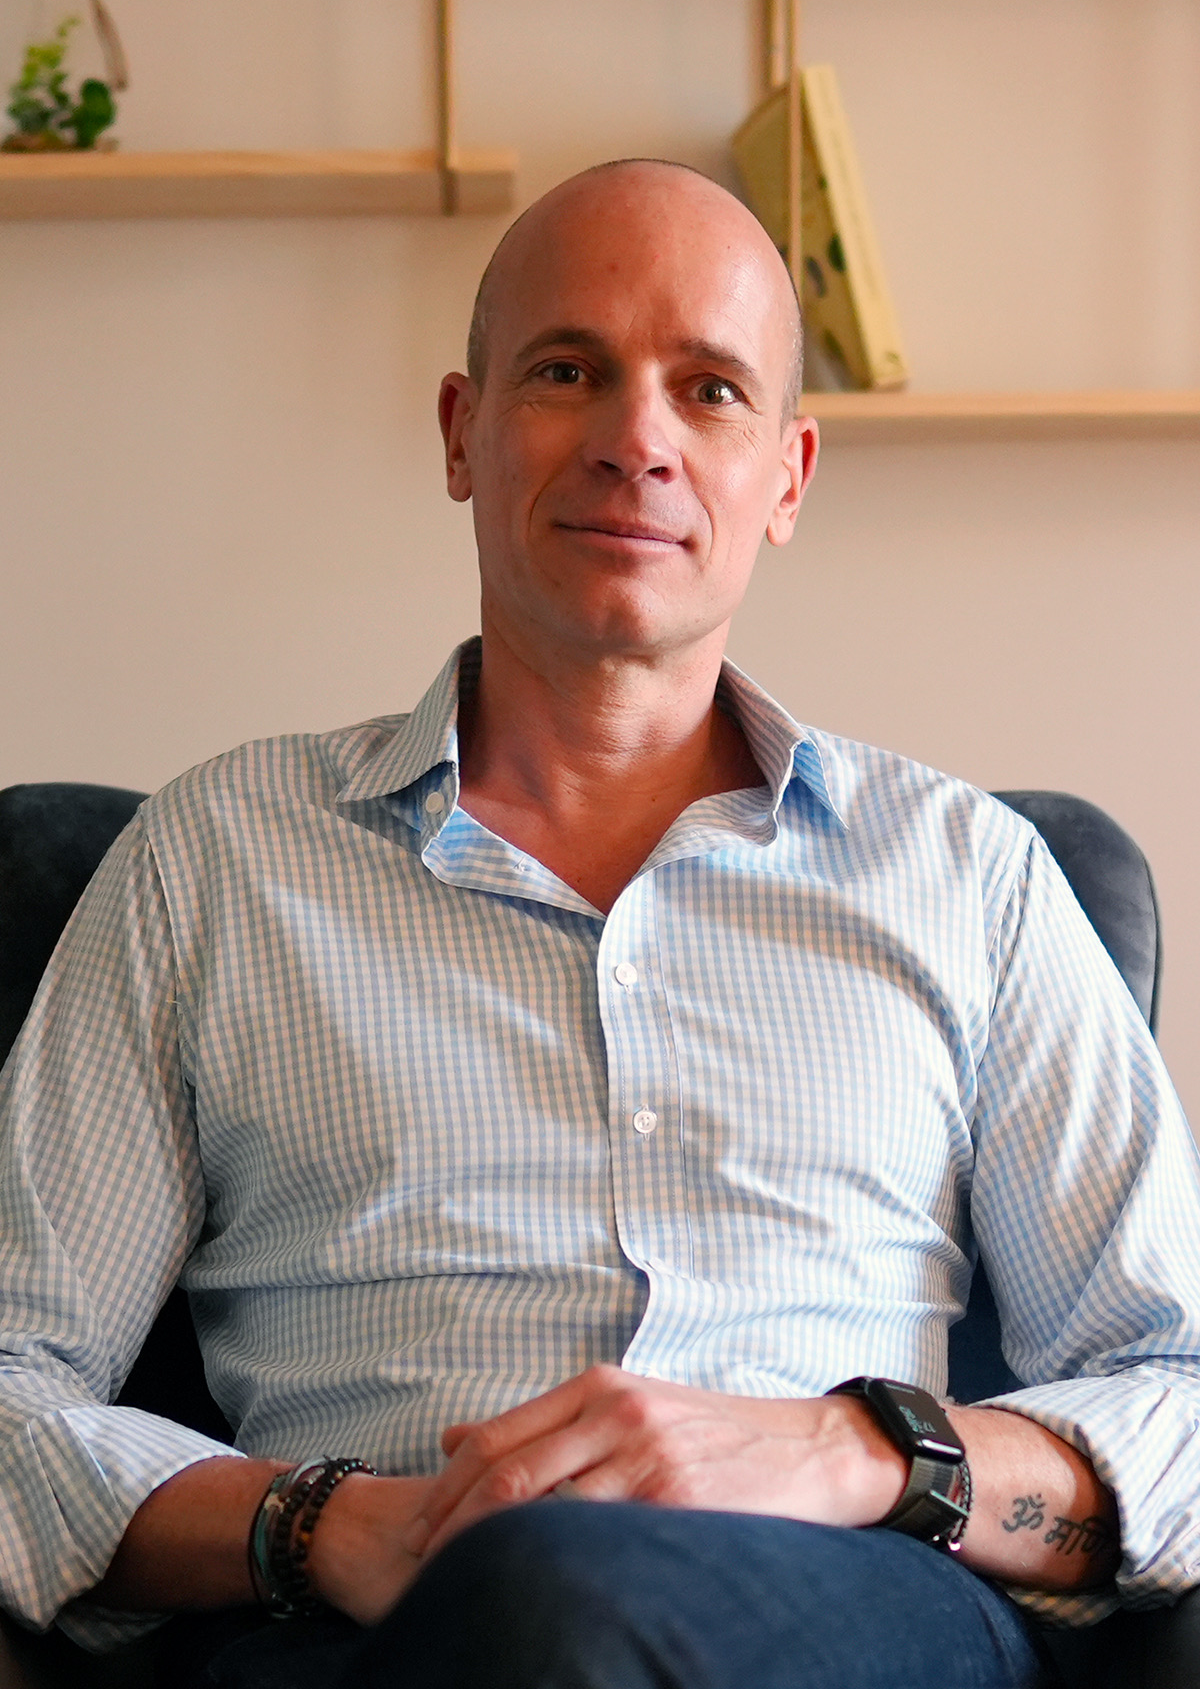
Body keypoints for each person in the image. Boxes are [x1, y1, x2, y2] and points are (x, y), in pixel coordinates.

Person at [2, 159, 1200, 1689]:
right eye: (569, 371)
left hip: (849, 1616)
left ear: (788, 477)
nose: (638, 440)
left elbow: (1177, 1390)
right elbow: (12, 1378)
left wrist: (862, 1453)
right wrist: (318, 1525)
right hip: (362, 1640)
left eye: (710, 390)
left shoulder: (973, 880)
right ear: (463, 432)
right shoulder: (215, 862)